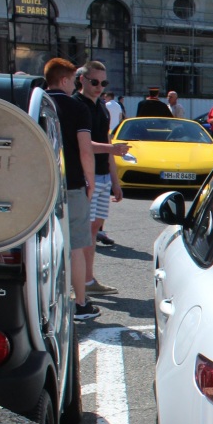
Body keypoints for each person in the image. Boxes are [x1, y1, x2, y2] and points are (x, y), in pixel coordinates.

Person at [44, 58, 100, 321]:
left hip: (41, 184)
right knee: (76, 245)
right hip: (73, 183)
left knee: (42, 243)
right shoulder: (77, 108)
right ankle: (79, 303)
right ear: (66, 80)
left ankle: (44, 302)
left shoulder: (36, 104)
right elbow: (85, 150)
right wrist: (90, 181)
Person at [74, 62, 130, 296]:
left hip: (103, 175)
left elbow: (106, 142)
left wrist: (115, 182)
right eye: (94, 82)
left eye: (103, 83)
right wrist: (111, 148)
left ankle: (88, 279)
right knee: (85, 230)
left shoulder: (103, 108)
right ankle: (83, 280)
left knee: (94, 228)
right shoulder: (77, 106)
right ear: (82, 80)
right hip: (87, 176)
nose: (99, 87)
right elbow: (84, 145)